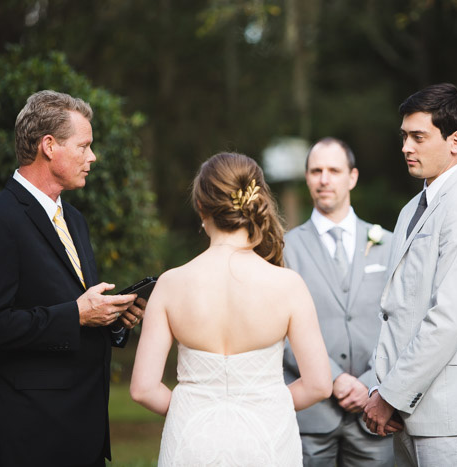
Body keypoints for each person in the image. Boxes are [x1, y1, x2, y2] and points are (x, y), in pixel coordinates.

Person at [0, 90, 144, 467]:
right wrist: (75, 314)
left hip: (84, 433)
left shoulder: (74, 220)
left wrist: (111, 319)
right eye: (84, 146)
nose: (92, 157)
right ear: (49, 146)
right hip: (29, 437)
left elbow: (70, 306)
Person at [130, 152, 332, 466]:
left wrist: (193, 408)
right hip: (268, 440)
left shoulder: (171, 284)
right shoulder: (288, 285)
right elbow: (319, 384)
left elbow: (143, 389)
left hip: (191, 441)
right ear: (256, 202)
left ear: (201, 208)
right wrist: (266, 403)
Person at [363, 83, 457, 466]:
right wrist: (384, 388)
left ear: (455, 140)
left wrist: (390, 395)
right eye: (404, 136)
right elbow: (397, 311)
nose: (406, 147)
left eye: (418, 137)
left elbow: (449, 318)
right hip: (407, 412)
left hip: (450, 414)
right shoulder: (412, 208)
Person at [283, 137, 395, 466]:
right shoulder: (283, 248)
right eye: (316, 171)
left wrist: (371, 384)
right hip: (310, 415)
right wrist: (332, 378)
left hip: (375, 409)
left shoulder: (388, 244)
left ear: (353, 176)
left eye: (334, 170)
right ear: (307, 178)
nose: (324, 179)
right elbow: (278, 326)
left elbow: (402, 321)